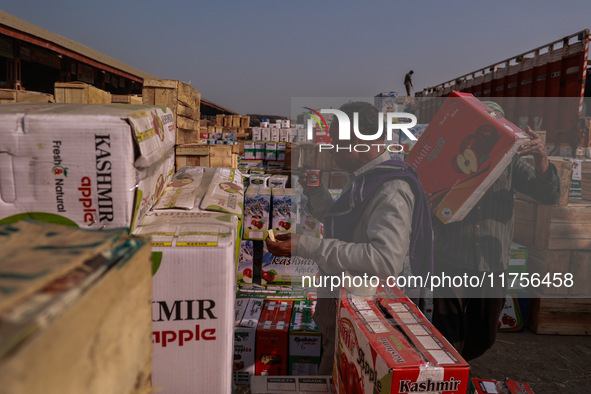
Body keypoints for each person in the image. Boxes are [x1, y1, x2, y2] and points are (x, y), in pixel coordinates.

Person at [266, 101, 433, 375]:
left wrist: (306, 245)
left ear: (353, 141)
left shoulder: (391, 188)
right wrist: (316, 191)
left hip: (359, 313)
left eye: (333, 141)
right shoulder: (364, 177)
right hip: (343, 303)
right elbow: (343, 222)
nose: (330, 148)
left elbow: (385, 260)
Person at [430, 101, 561, 361]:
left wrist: (541, 158)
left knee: (484, 335)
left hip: (491, 263)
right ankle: (452, 380)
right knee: (447, 332)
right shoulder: (451, 157)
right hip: (451, 259)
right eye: (484, 128)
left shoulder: (510, 161)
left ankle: (460, 365)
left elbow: (549, 194)